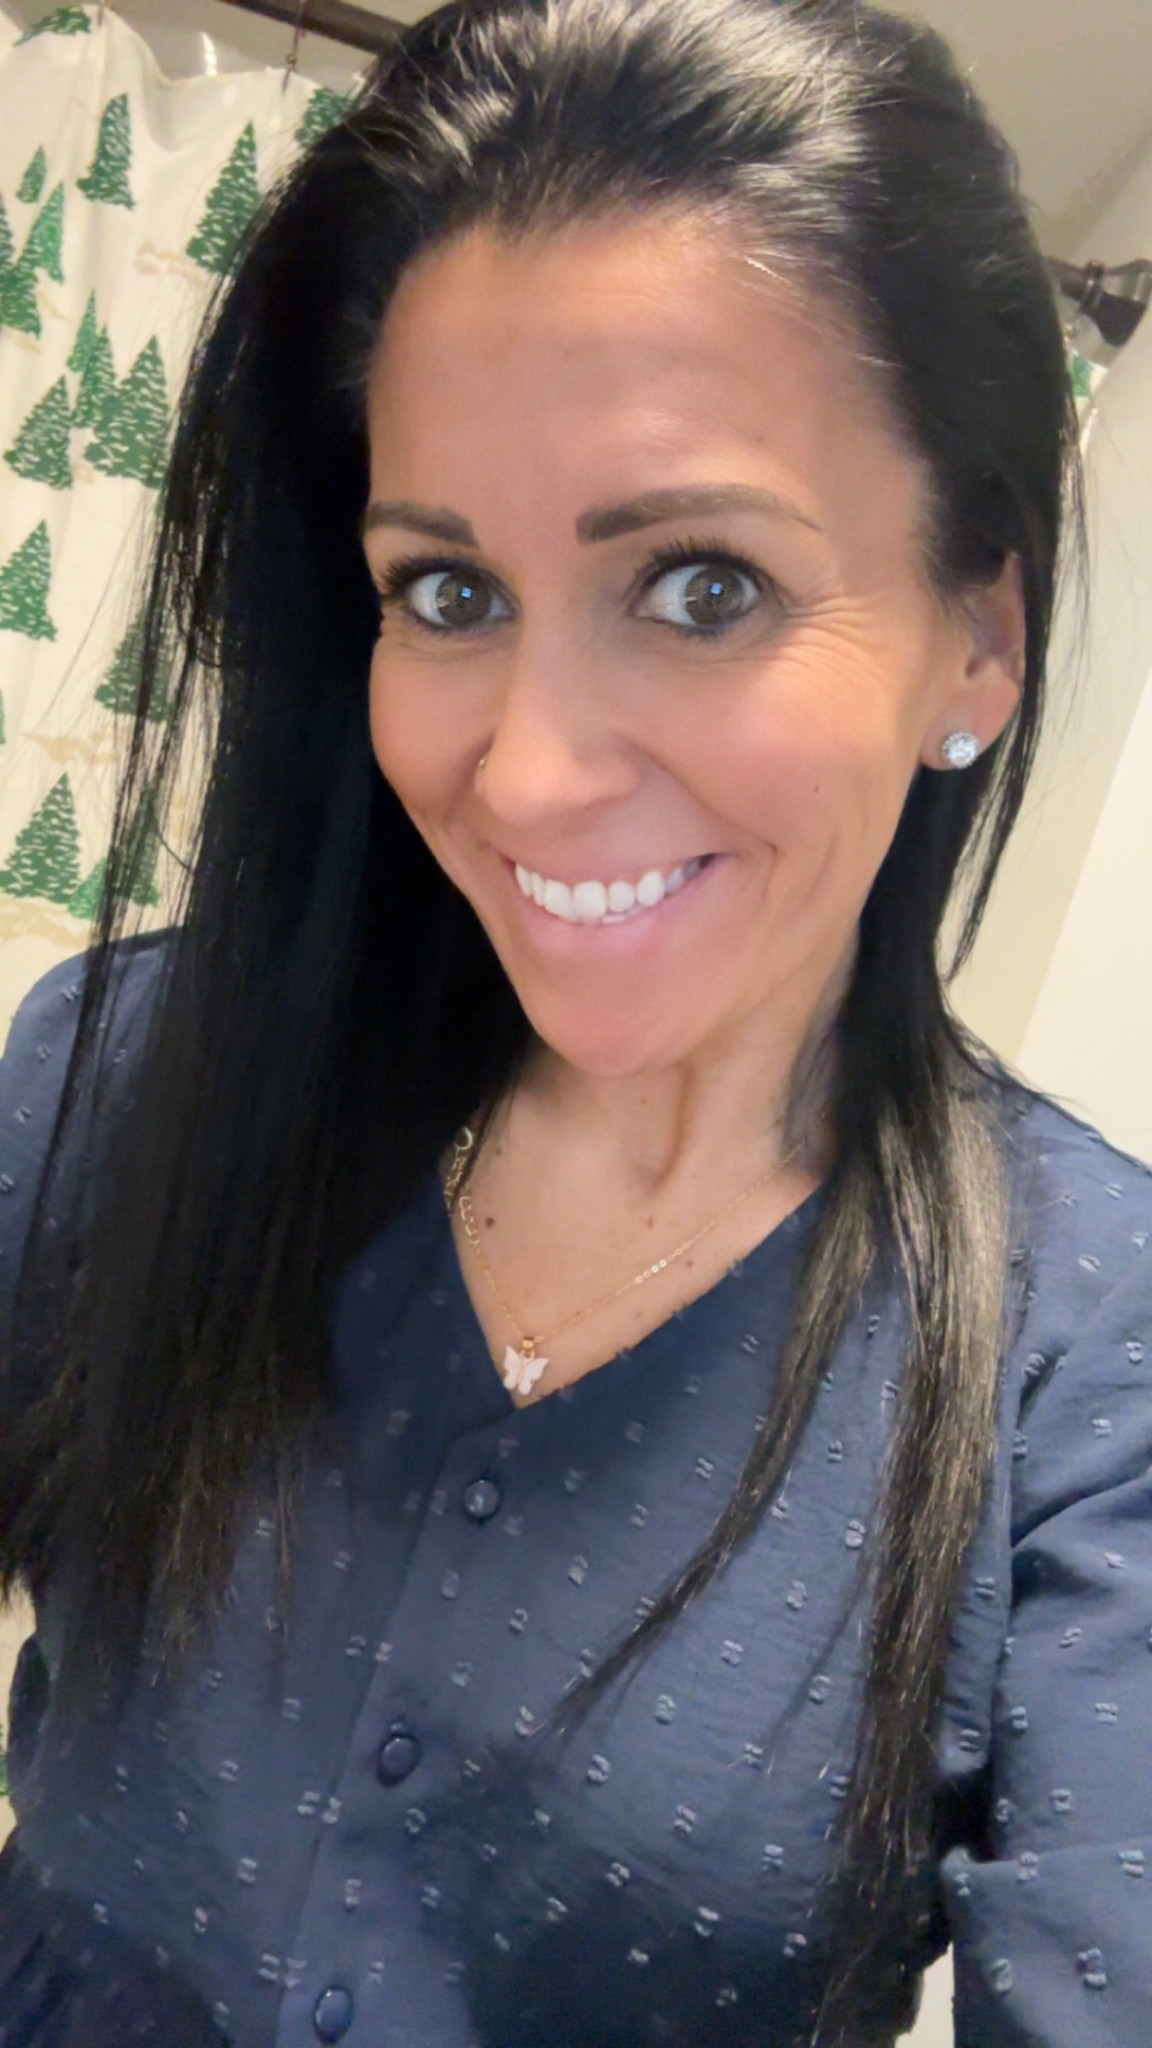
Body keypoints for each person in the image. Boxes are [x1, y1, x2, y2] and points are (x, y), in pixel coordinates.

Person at [0, 0, 1149, 2042]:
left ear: (978, 641)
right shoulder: (137, 1068)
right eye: (447, 593)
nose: (526, 776)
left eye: (702, 586)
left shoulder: (1089, 1350)